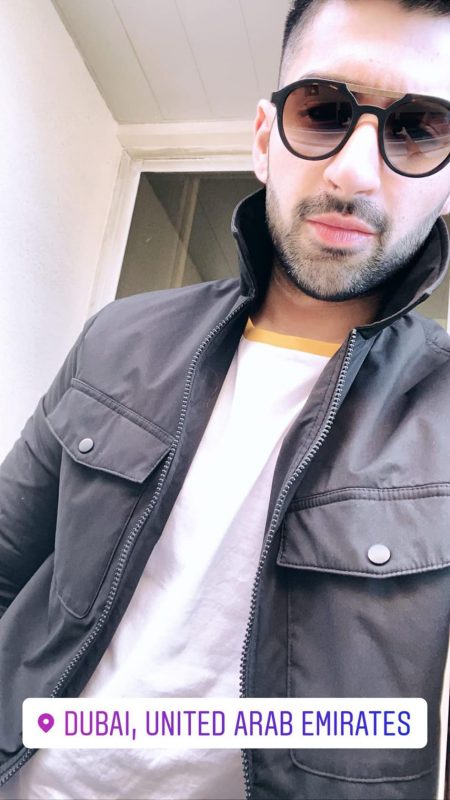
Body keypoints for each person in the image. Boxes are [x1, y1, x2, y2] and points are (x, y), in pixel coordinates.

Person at [0, 0, 449, 797]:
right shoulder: (118, 337)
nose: (353, 172)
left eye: (417, 129)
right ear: (263, 139)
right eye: (323, 110)